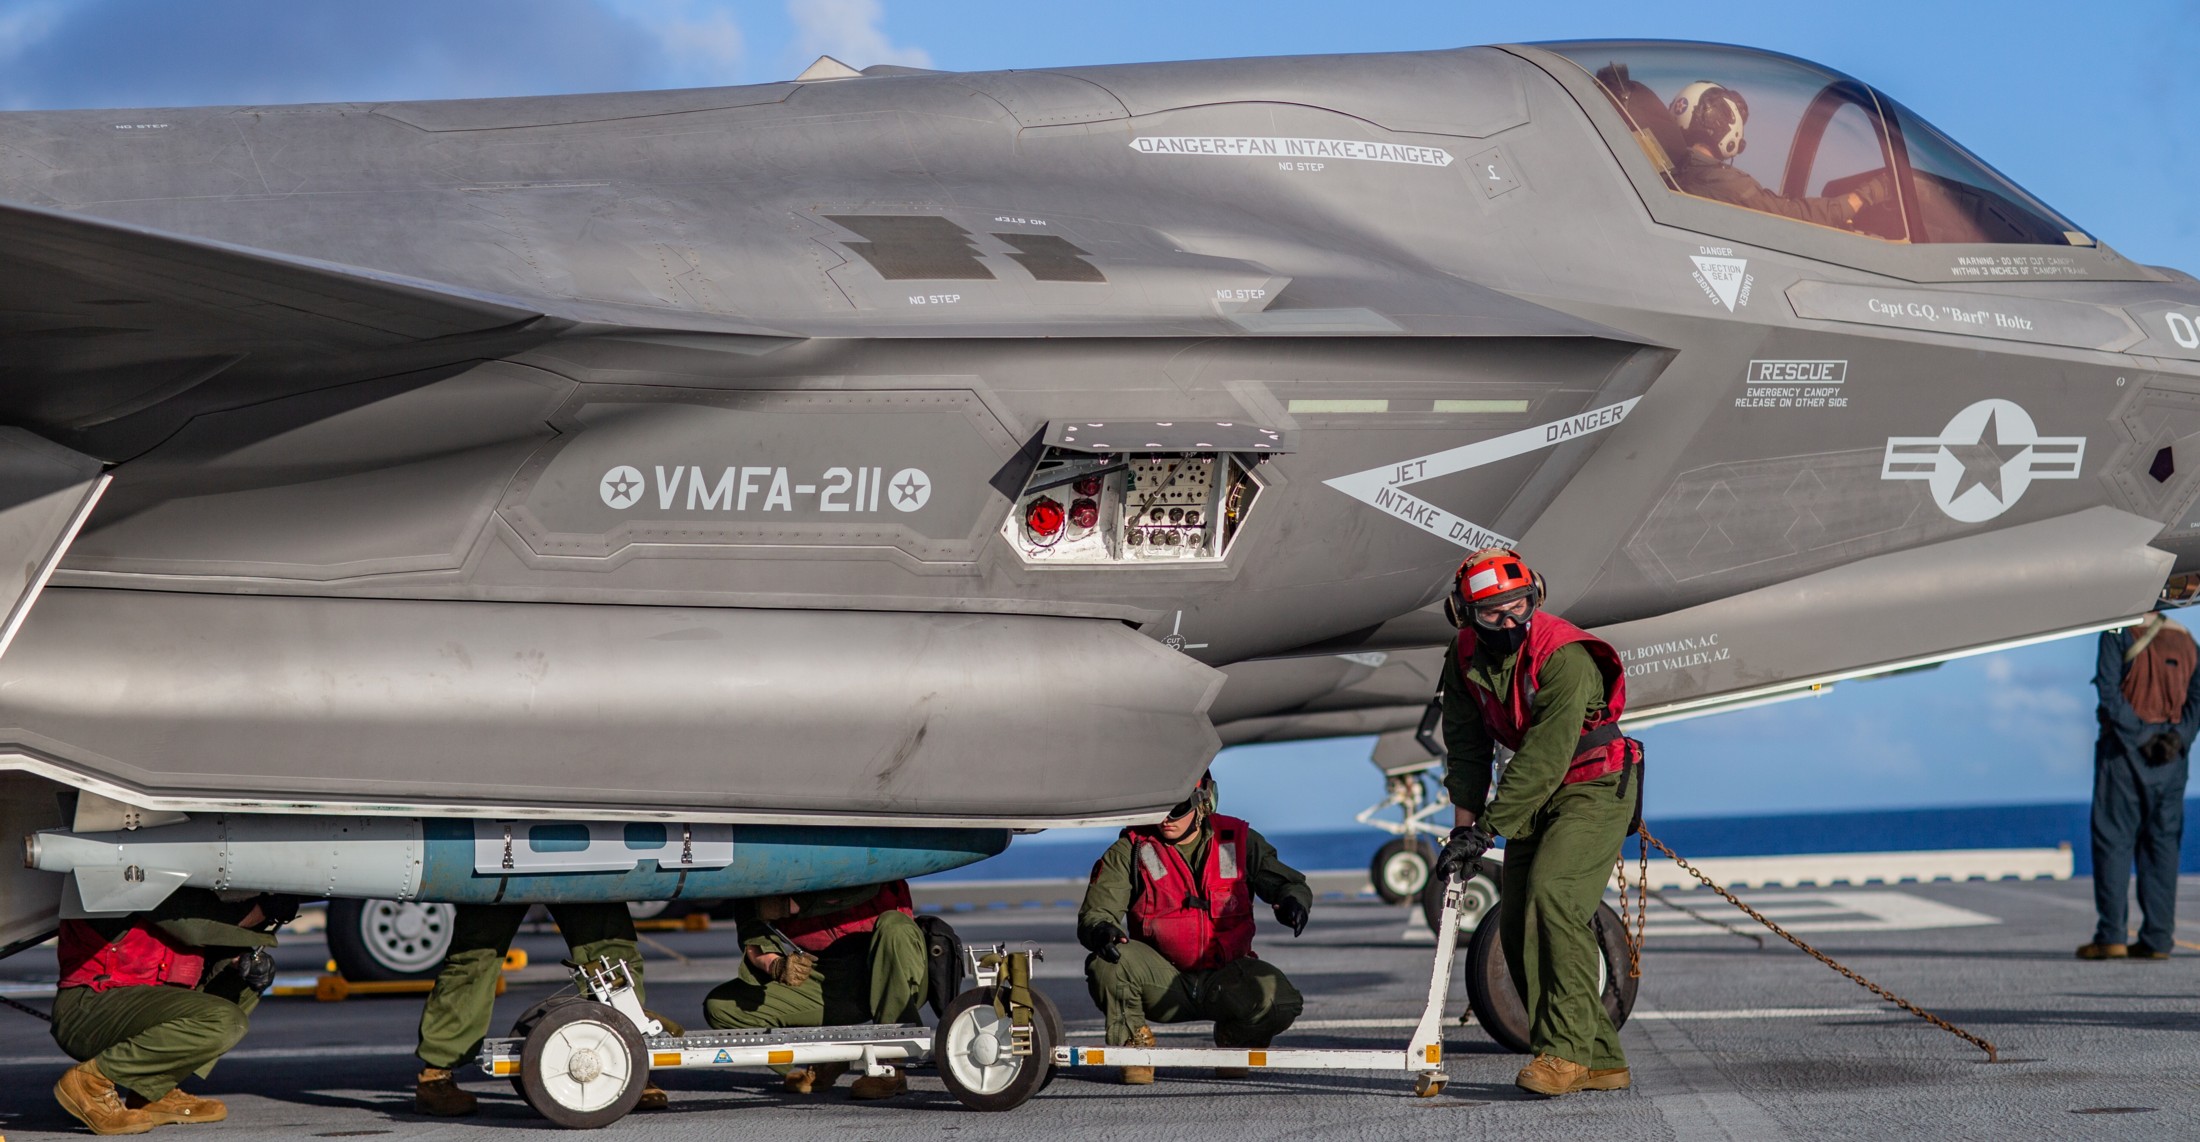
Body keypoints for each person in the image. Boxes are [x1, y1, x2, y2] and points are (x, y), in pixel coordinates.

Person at [1431, 548, 1640, 1098]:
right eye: (1493, 612)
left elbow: (1546, 755)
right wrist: (1464, 829)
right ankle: (1600, 1058)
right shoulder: (1463, 654)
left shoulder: (1563, 656)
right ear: (1464, 614)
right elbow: (1467, 744)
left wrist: (1490, 828)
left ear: (1536, 598)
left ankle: (1566, 1055)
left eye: (1519, 605)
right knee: (1519, 922)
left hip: (1592, 784)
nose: (1510, 620)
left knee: (1554, 898)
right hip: (1536, 793)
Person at [1077, 772, 1312, 1085]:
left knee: (1280, 1001)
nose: (1165, 819)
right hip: (1162, 981)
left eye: (1176, 808)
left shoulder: (1236, 840)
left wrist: (1292, 901)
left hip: (1225, 977)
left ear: (1203, 803)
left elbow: (1286, 882)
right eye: (1157, 807)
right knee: (1107, 962)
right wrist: (1101, 929)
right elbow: (1097, 911)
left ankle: (1235, 1038)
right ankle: (1134, 1045)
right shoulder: (1133, 849)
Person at [50, 888, 298, 1135]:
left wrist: (241, 962)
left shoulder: (186, 882)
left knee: (243, 981)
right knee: (224, 1021)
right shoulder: (138, 871)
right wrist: (265, 909)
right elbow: (195, 926)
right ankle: (90, 1082)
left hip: (138, 1003)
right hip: (90, 1007)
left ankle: (152, 1091)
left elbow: (208, 933)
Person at [414, 903, 666, 1115]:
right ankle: (436, 1073)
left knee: (608, 953)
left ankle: (628, 1066)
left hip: (578, 850)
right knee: (474, 956)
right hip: (501, 850)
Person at [702, 881, 927, 1100]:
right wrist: (776, 965)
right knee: (722, 1008)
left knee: (895, 927)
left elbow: (864, 887)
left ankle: (892, 1065)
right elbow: (753, 929)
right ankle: (822, 1060)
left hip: (894, 964)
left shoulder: (861, 851)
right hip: (828, 976)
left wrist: (792, 905)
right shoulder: (765, 871)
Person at [2079, 607, 2200, 960]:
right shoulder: (2186, 638)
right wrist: (2177, 738)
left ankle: (2112, 935)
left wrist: (2140, 736)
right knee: (2163, 846)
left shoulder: (2117, 632)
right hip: (2172, 759)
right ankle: (2158, 938)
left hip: (2124, 754)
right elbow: (2197, 699)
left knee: (2113, 842)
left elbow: (2108, 692)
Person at [1668, 81, 1878, 227]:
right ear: (1723, 120)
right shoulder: (1725, 184)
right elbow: (1789, 216)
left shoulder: (1674, 172)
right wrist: (1858, 199)